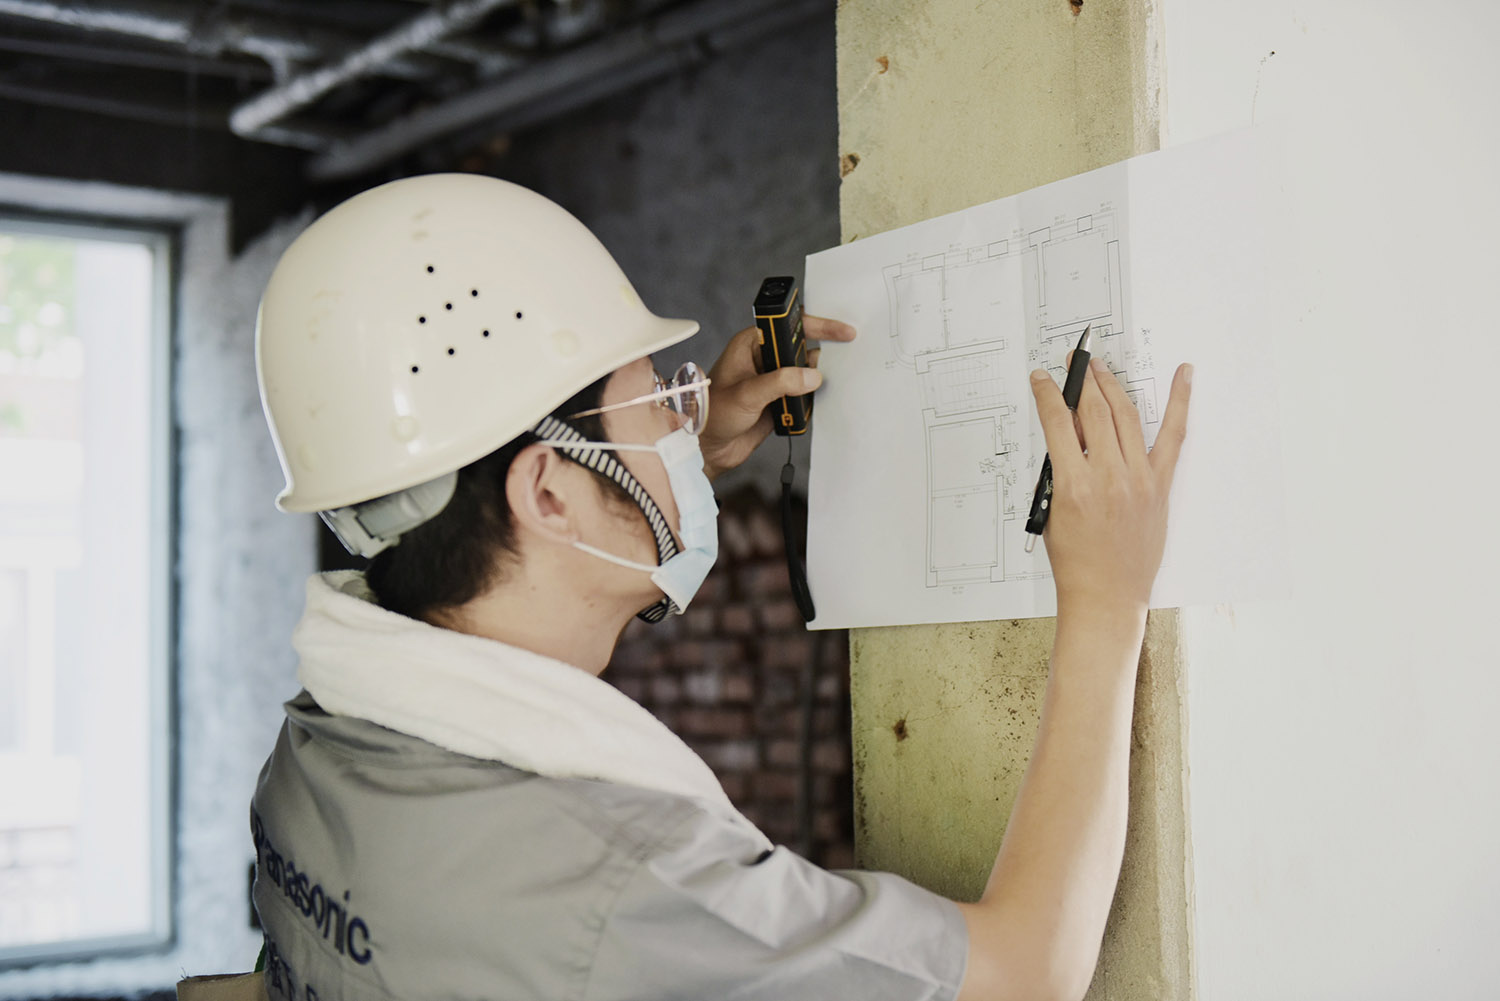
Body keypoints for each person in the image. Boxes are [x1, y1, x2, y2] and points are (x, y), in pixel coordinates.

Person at [250, 173, 1191, 1001]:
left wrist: (666, 467)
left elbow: (517, 558)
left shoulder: (316, 758)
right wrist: (1107, 600)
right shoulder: (631, 888)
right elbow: (1026, 972)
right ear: (547, 492)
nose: (679, 412)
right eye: (652, 397)